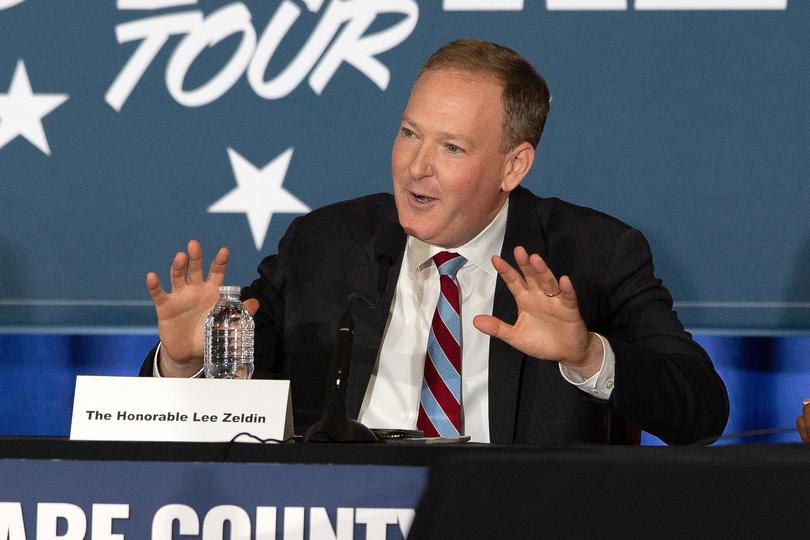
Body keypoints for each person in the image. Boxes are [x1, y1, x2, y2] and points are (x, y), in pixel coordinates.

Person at [140, 39, 729, 445]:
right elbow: (222, 418)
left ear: (513, 166)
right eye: (408, 134)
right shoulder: (323, 244)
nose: (415, 167)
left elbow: (702, 413)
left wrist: (586, 356)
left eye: (451, 148)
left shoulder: (595, 255)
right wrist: (188, 364)